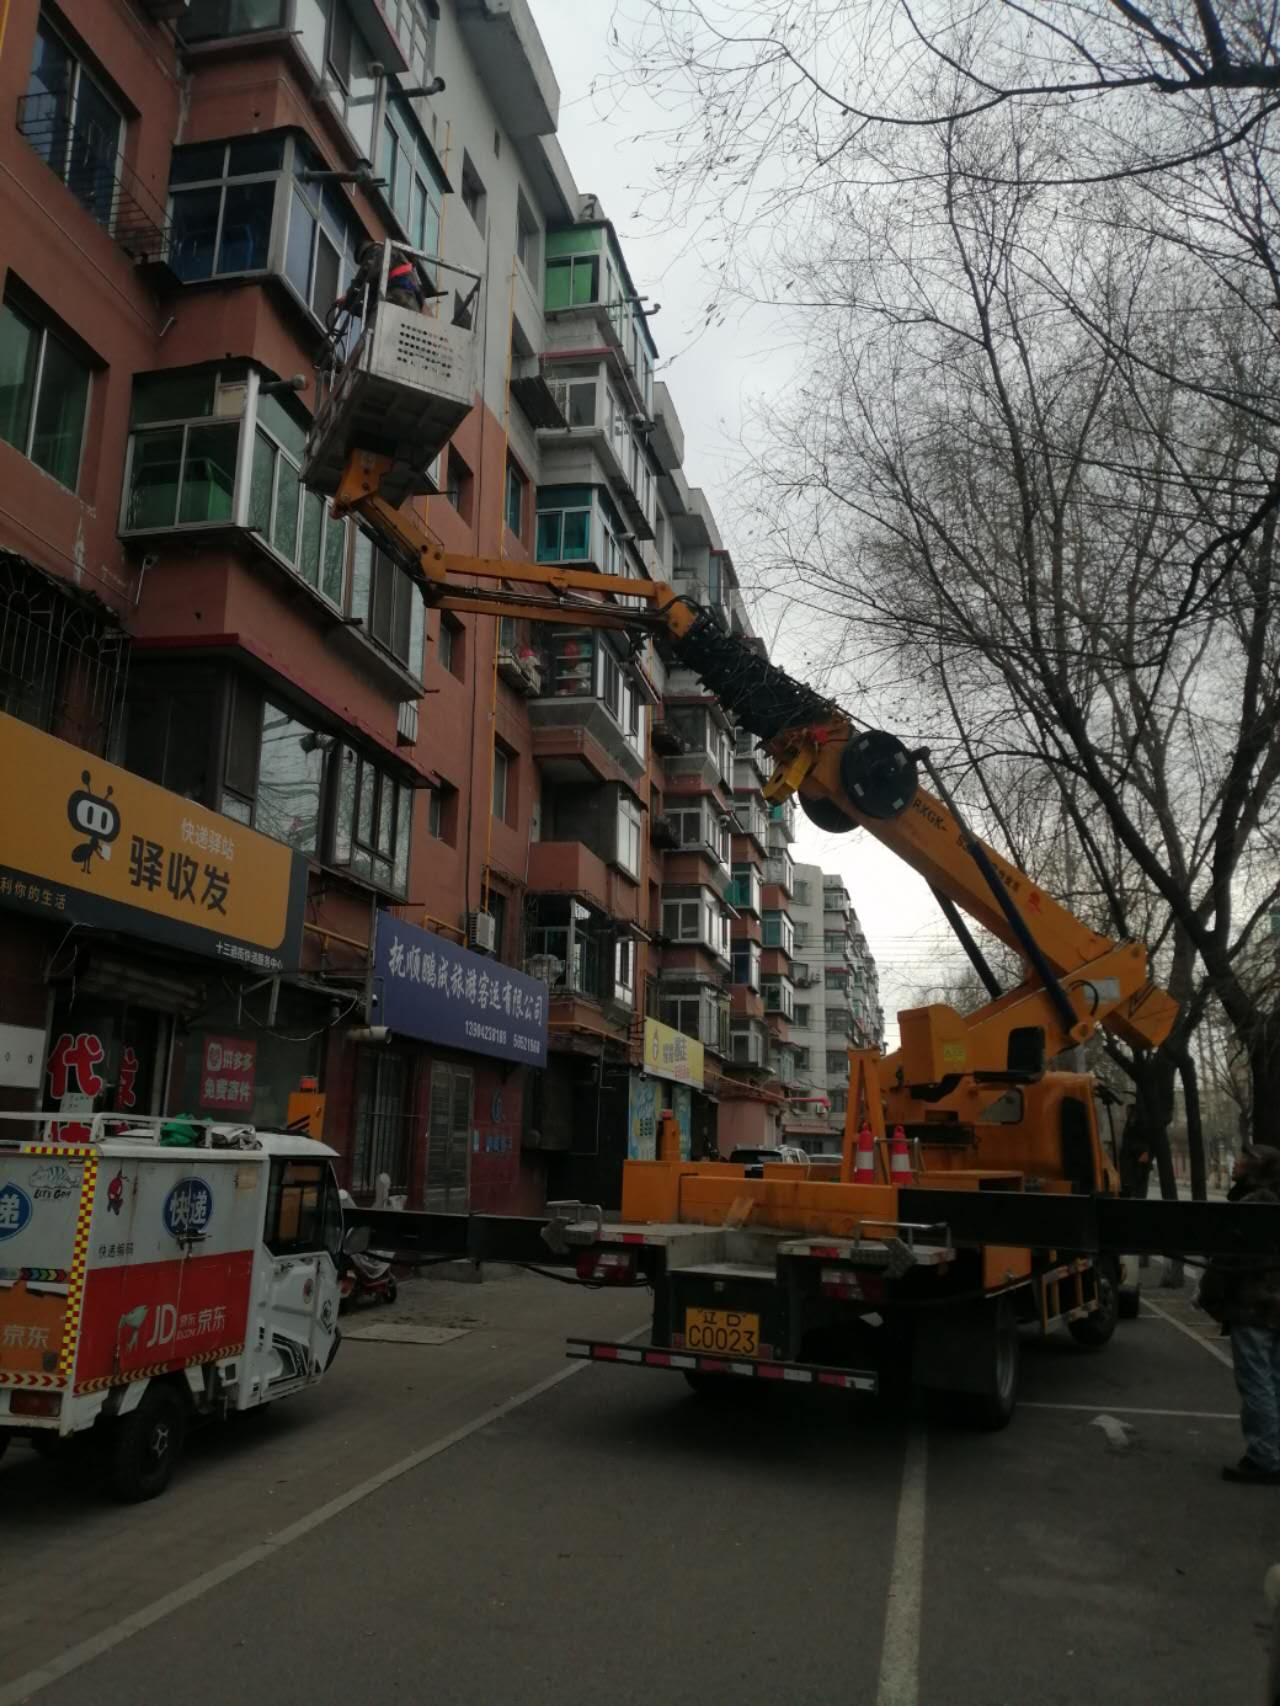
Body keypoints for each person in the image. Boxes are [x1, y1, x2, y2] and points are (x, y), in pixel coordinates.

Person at [1197, 1145, 1280, 1483]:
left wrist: (1210, 1298)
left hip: (1253, 1306)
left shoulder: (1254, 1205)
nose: (1237, 1163)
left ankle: (1264, 1458)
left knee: (1257, 1382)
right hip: (1273, 1306)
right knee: (1274, 1379)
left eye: (1246, 1159)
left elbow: (1227, 1258)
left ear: (1257, 1169)